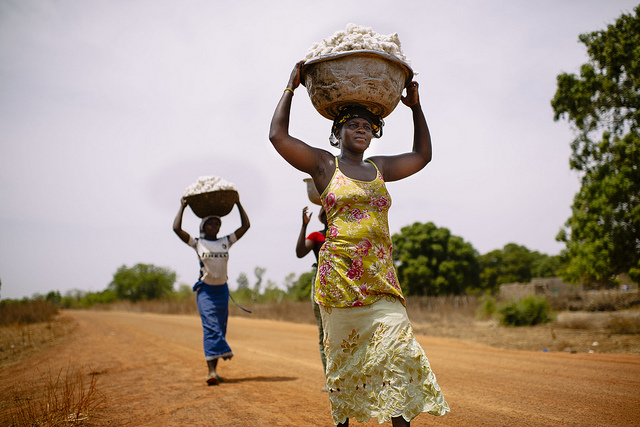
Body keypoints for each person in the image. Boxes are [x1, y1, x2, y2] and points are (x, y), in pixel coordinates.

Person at [269, 61, 449, 426]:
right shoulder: (323, 165)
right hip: (339, 283)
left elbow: (422, 156)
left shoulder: (380, 168)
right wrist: (290, 87)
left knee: (398, 354)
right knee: (345, 366)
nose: (361, 129)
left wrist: (416, 107)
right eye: (353, 125)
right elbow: (278, 137)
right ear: (339, 132)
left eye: (367, 126)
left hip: (381, 282)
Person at [173, 197, 250, 386]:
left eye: (217, 223)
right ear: (204, 226)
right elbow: (176, 229)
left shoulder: (226, 241)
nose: (214, 226)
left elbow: (246, 226)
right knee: (210, 327)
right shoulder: (197, 243)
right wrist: (182, 208)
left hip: (222, 291)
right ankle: (211, 372)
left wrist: (238, 204)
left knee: (220, 328)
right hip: (205, 292)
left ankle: (216, 369)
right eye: (211, 224)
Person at [295, 206, 328, 389]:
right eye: (325, 214)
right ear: (321, 218)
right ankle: (329, 378)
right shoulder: (317, 236)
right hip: (321, 287)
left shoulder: (345, 236)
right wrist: (304, 226)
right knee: (324, 334)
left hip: (345, 288)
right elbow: (300, 253)